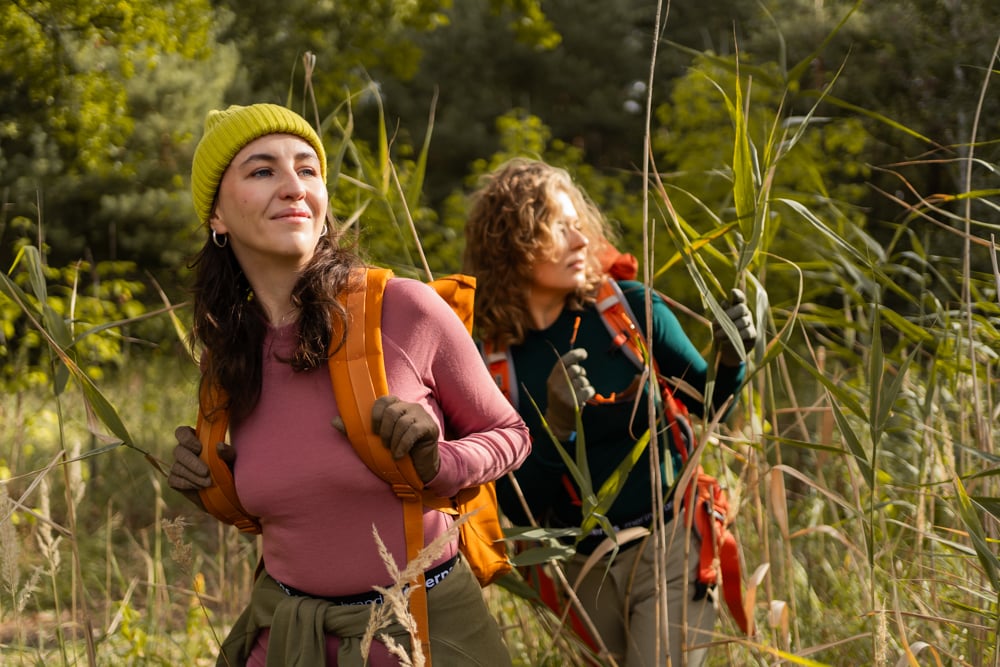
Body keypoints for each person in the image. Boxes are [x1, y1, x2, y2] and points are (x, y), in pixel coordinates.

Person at [166, 103, 531, 666]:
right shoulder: (227, 355)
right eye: (262, 171)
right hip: (289, 638)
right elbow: (292, 504)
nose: (293, 187)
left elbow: (510, 432)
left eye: (308, 170)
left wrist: (440, 463)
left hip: (425, 632)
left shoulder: (403, 309)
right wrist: (210, 486)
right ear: (217, 216)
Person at [462, 158, 757, 667]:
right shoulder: (487, 363)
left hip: (670, 547)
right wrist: (555, 422)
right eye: (560, 227)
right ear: (513, 242)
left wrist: (730, 357)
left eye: (580, 225)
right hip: (580, 574)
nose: (582, 242)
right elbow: (518, 508)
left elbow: (713, 405)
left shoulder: (630, 310)